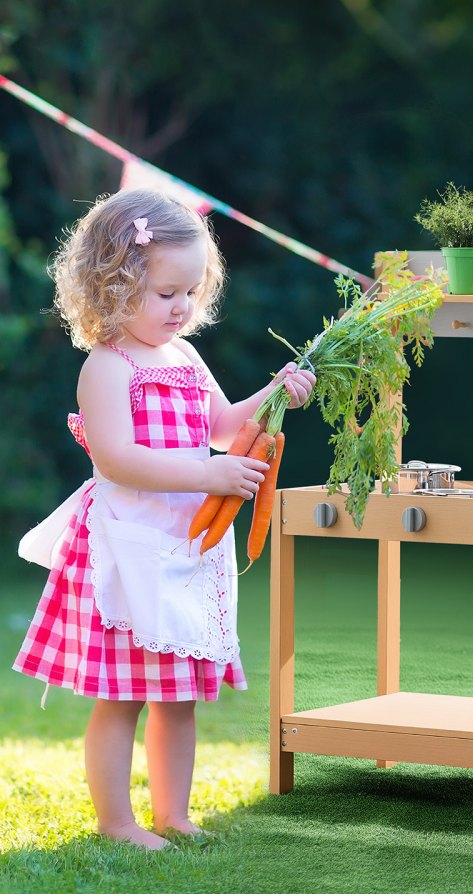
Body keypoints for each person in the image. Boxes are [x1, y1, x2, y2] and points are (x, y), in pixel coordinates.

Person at [12, 189, 316, 851]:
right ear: (113, 288)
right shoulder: (107, 368)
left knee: (177, 695)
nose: (180, 308)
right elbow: (119, 460)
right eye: (164, 294)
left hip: (184, 543)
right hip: (128, 546)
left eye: (189, 293)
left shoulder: (183, 358)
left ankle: (173, 814)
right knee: (122, 695)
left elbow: (221, 423)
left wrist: (275, 393)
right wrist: (207, 474)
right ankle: (118, 822)